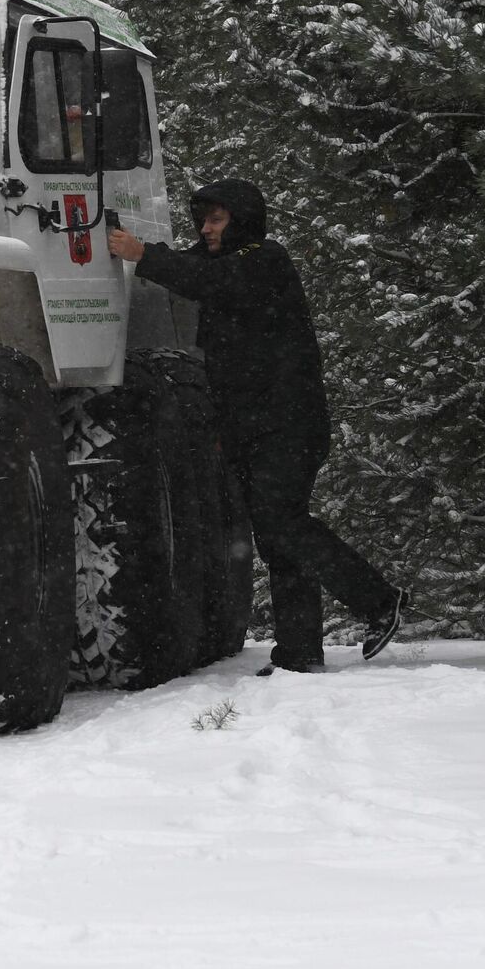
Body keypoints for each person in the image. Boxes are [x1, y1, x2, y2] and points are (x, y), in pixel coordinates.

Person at [108, 179, 407, 674]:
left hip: (288, 425)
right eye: (202, 219)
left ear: (242, 220)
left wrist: (141, 255)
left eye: (216, 219)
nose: (205, 229)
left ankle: (378, 600)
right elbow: (191, 266)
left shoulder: (265, 261)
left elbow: (208, 282)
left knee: (282, 523)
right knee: (277, 534)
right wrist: (128, 240)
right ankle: (299, 652)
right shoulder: (222, 259)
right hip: (255, 426)